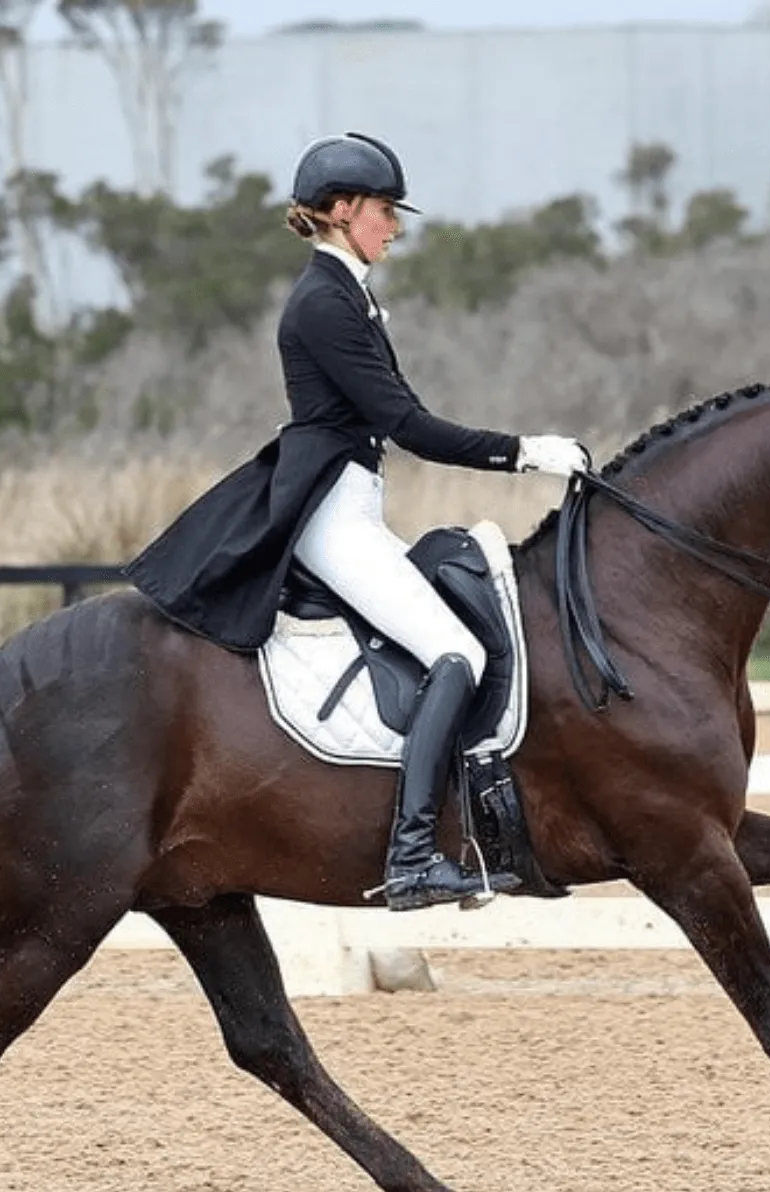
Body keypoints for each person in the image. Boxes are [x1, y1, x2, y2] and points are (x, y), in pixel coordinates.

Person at [126, 131, 588, 912]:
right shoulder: (323, 302)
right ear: (341, 211)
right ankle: (412, 854)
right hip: (331, 513)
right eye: (383, 211)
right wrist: (526, 453)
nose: (394, 227)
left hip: (351, 504)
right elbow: (408, 424)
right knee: (455, 651)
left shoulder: (348, 293)